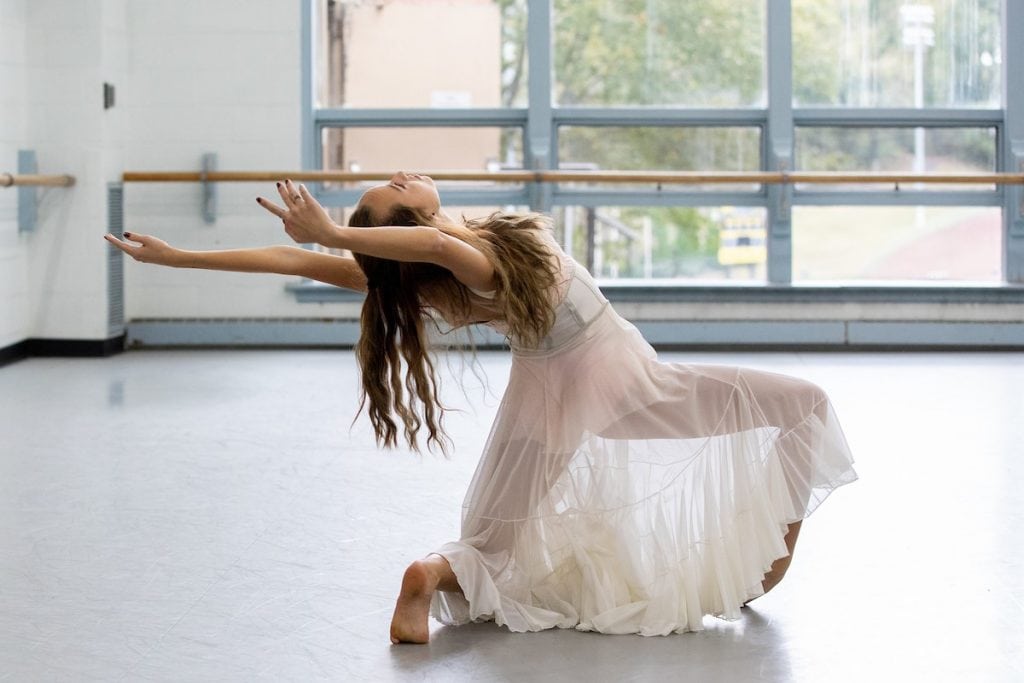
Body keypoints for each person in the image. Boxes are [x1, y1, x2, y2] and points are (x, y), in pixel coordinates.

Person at [105, 172, 857, 645]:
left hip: (546, 396)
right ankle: (769, 560)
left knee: (497, 544)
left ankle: (429, 576)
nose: (398, 177)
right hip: (627, 381)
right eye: (392, 196)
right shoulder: (466, 260)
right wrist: (340, 231)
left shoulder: (447, 266)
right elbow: (405, 244)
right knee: (805, 405)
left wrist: (180, 258)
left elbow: (300, 261)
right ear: (406, 230)